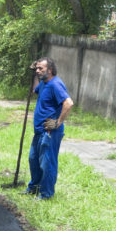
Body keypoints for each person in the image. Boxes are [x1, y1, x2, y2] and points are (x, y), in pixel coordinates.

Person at [25, 57, 74, 200]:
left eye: (41, 68)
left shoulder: (55, 84)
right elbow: (34, 90)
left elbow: (68, 103)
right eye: (37, 68)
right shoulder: (44, 83)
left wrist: (58, 122)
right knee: (33, 159)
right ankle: (34, 187)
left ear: (50, 70)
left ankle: (46, 194)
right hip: (39, 131)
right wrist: (34, 74)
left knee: (47, 163)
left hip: (50, 132)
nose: (38, 70)